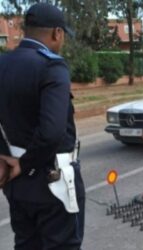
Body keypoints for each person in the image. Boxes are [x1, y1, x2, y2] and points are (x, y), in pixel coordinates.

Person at [0, 3, 85, 250]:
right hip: (52, 180)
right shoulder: (52, 66)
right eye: (63, 36)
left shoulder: (3, 64)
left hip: (14, 181)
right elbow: (52, 133)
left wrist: (5, 156)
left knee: (27, 244)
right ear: (57, 33)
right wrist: (25, 163)